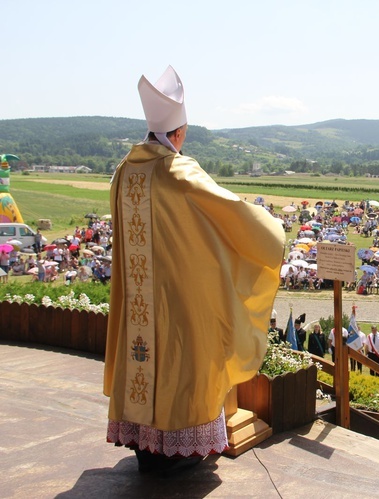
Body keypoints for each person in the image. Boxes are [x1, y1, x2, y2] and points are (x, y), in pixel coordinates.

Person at [104, 66, 284, 474]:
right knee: (183, 366)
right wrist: (272, 232)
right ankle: (179, 452)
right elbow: (233, 215)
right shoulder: (180, 172)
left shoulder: (123, 172)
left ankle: (144, 446)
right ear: (179, 133)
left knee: (144, 368)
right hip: (177, 304)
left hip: (136, 306)